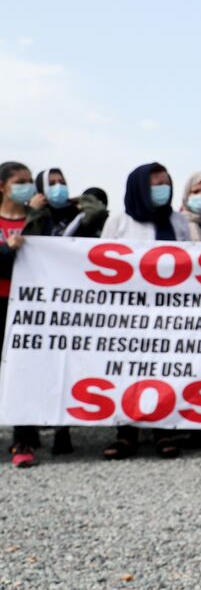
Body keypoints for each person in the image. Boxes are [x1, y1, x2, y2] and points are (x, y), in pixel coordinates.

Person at [100, 163, 195, 460]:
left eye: (166, 184)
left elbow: (193, 261)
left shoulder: (179, 222)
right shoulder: (119, 223)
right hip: (130, 313)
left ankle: (164, 430)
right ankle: (127, 433)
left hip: (169, 311)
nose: (162, 190)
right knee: (129, 371)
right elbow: (101, 263)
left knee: (165, 369)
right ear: (140, 187)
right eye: (155, 185)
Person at [1, 162, 47, 467]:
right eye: (20, 181)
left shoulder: (39, 221)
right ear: (3, 187)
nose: (27, 186)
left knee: (25, 370)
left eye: (30, 181)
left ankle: (23, 438)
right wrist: (7, 250)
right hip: (2, 300)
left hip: (30, 306)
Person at [26, 167, 80, 236]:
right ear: (41, 189)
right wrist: (32, 212)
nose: (58, 186)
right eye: (51, 184)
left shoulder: (77, 211)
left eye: (62, 183)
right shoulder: (33, 213)